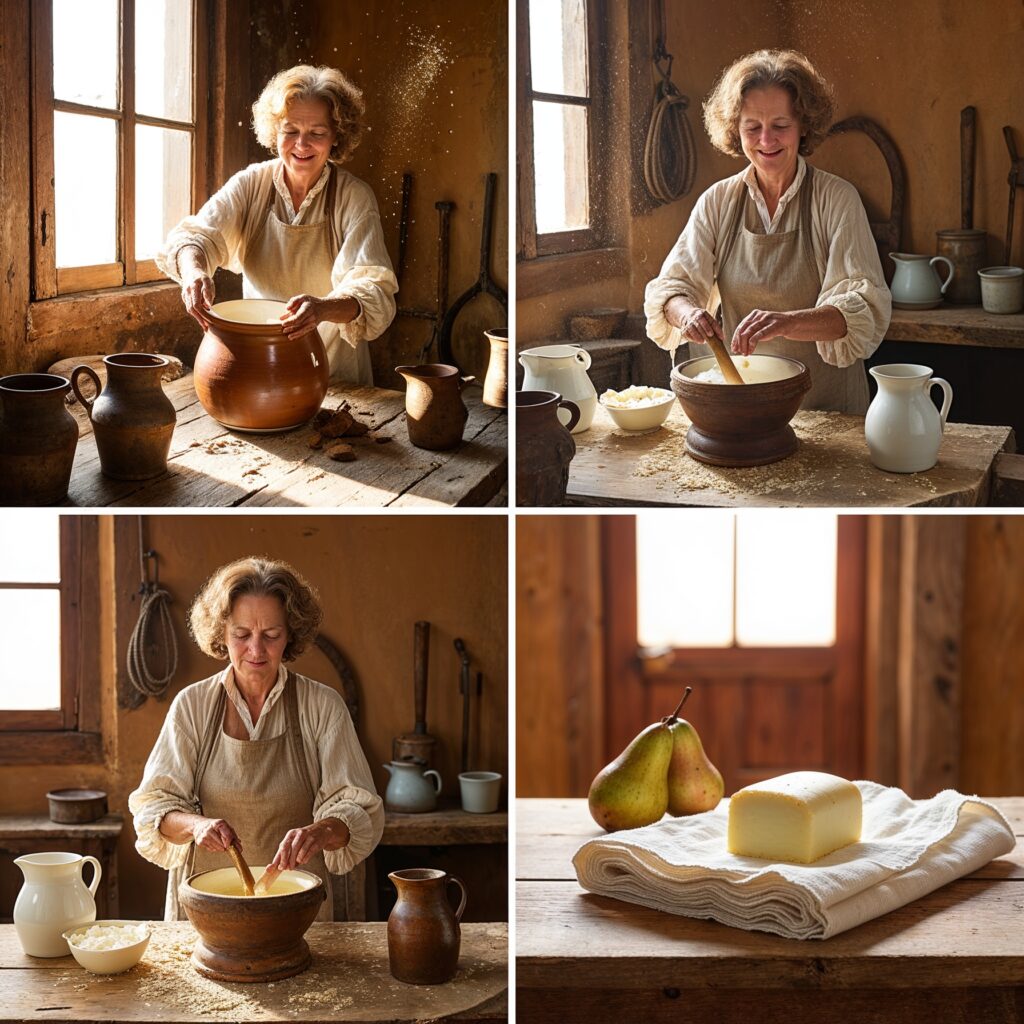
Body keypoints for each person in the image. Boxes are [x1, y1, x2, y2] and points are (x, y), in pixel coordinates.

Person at [128, 557, 383, 921]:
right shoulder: (192, 706)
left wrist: (323, 831)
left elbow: (360, 813)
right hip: (208, 911)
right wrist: (196, 825)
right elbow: (154, 810)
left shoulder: (323, 706)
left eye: (271, 635)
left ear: (291, 633)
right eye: (242, 634)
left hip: (299, 911)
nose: (256, 650)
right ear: (221, 632)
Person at [644, 49, 891, 413]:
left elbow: (863, 310)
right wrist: (688, 315)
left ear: (804, 125)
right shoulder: (718, 202)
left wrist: (786, 322)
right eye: (752, 127)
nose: (766, 140)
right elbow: (673, 290)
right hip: (740, 406)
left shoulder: (836, 199)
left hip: (825, 409)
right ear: (735, 129)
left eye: (780, 126)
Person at [156, 65, 397, 385]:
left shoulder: (354, 199)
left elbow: (375, 293)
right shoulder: (250, 185)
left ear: (336, 135)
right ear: (274, 131)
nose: (302, 144)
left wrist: (322, 309)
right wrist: (194, 272)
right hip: (260, 370)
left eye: (317, 133)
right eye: (291, 130)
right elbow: (196, 236)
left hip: (334, 375)